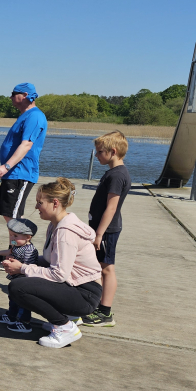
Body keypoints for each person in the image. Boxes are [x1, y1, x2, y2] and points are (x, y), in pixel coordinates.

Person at [4, 178, 102, 349]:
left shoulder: (65, 232)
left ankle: (65, 327)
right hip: (75, 286)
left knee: (18, 287)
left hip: (85, 294)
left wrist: (23, 268)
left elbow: (59, 274)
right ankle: (65, 319)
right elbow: (51, 261)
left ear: (55, 203)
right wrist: (22, 262)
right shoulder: (55, 225)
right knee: (22, 279)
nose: (36, 207)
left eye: (40, 202)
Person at [81, 131, 131, 328]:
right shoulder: (113, 172)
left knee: (107, 269)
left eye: (100, 152)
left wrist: (99, 234)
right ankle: (97, 305)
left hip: (107, 231)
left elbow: (111, 207)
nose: (96, 155)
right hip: (101, 228)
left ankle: (105, 312)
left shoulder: (117, 175)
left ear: (113, 151)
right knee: (100, 267)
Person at [0, 83, 48, 221]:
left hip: (20, 172)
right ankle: (17, 236)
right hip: (13, 174)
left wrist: (6, 166)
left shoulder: (34, 116)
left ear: (25, 95)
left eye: (13, 94)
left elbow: (26, 145)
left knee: (13, 217)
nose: (10, 97)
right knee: (10, 214)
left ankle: (21, 237)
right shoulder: (25, 115)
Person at [0, 219, 39, 333]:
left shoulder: (30, 250)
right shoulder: (17, 245)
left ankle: (25, 322)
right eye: (11, 235)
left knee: (23, 302)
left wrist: (13, 262)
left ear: (28, 237)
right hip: (16, 278)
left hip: (24, 281)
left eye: (15, 236)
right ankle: (11, 316)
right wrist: (0, 253)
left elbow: (28, 267)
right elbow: (10, 251)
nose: (12, 238)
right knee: (12, 298)